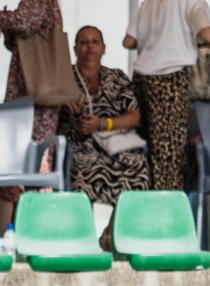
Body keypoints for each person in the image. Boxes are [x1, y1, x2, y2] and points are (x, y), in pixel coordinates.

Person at [0, 0, 64, 231]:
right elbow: (18, 38)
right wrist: (6, 23)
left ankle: (26, 232)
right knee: (19, 165)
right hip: (29, 94)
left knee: (24, 163)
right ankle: (22, 233)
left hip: (35, 99)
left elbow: (25, 23)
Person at [124, 0, 210, 191]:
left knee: (146, 149)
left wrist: (158, 36)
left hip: (141, 79)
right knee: (169, 156)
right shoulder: (192, 2)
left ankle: (142, 200)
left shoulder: (149, 3)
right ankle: (168, 206)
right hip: (169, 80)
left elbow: (129, 41)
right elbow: (208, 35)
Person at [60, 26, 149, 213]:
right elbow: (48, 109)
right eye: (84, 42)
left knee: (137, 163)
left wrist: (102, 124)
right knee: (83, 164)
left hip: (115, 141)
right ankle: (84, 227)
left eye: (95, 42)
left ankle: (114, 227)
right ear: (75, 48)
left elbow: (136, 116)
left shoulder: (117, 77)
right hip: (80, 144)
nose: (90, 46)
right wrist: (63, 102)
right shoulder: (64, 77)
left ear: (103, 48)